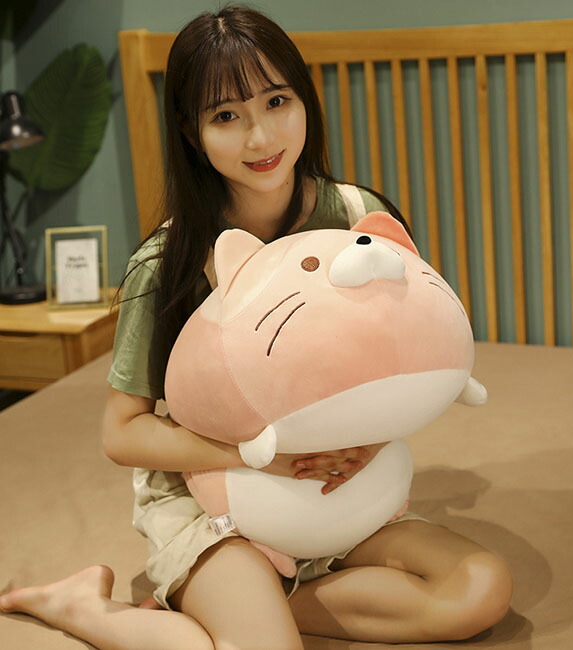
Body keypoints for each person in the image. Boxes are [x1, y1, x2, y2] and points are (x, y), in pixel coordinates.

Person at [0, 7, 512, 649]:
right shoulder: (167, 262)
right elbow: (121, 431)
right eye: (225, 116)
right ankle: (85, 607)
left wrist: (369, 443)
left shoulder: (357, 217)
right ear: (191, 132)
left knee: (479, 588)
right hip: (213, 496)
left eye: (276, 101)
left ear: (305, 99)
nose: (260, 137)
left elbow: (397, 354)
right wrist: (257, 458)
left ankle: (264, 601)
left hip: (339, 486)